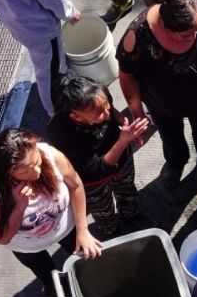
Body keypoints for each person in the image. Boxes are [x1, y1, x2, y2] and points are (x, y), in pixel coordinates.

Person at [0, 128, 103, 297]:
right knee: (46, 274)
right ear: (6, 173)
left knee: (86, 264)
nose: (37, 171)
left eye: (36, 161)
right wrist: (19, 206)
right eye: (25, 170)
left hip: (65, 228)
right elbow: (2, 237)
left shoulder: (50, 155)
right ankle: (53, 289)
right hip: (27, 246)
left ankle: (89, 287)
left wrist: (83, 230)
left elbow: (76, 186)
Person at [116, 0, 197, 191]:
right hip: (161, 103)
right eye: (185, 35)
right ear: (164, 24)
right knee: (170, 138)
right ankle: (176, 162)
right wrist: (137, 111)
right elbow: (127, 76)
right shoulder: (138, 35)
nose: (193, 37)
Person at [47, 76, 152, 237]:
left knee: (127, 191)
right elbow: (97, 169)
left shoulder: (98, 95)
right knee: (102, 208)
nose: (106, 112)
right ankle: (111, 229)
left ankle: (131, 214)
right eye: (98, 113)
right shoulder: (60, 132)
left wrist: (123, 122)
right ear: (76, 116)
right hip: (92, 180)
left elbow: (111, 109)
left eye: (106, 105)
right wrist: (124, 140)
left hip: (121, 163)